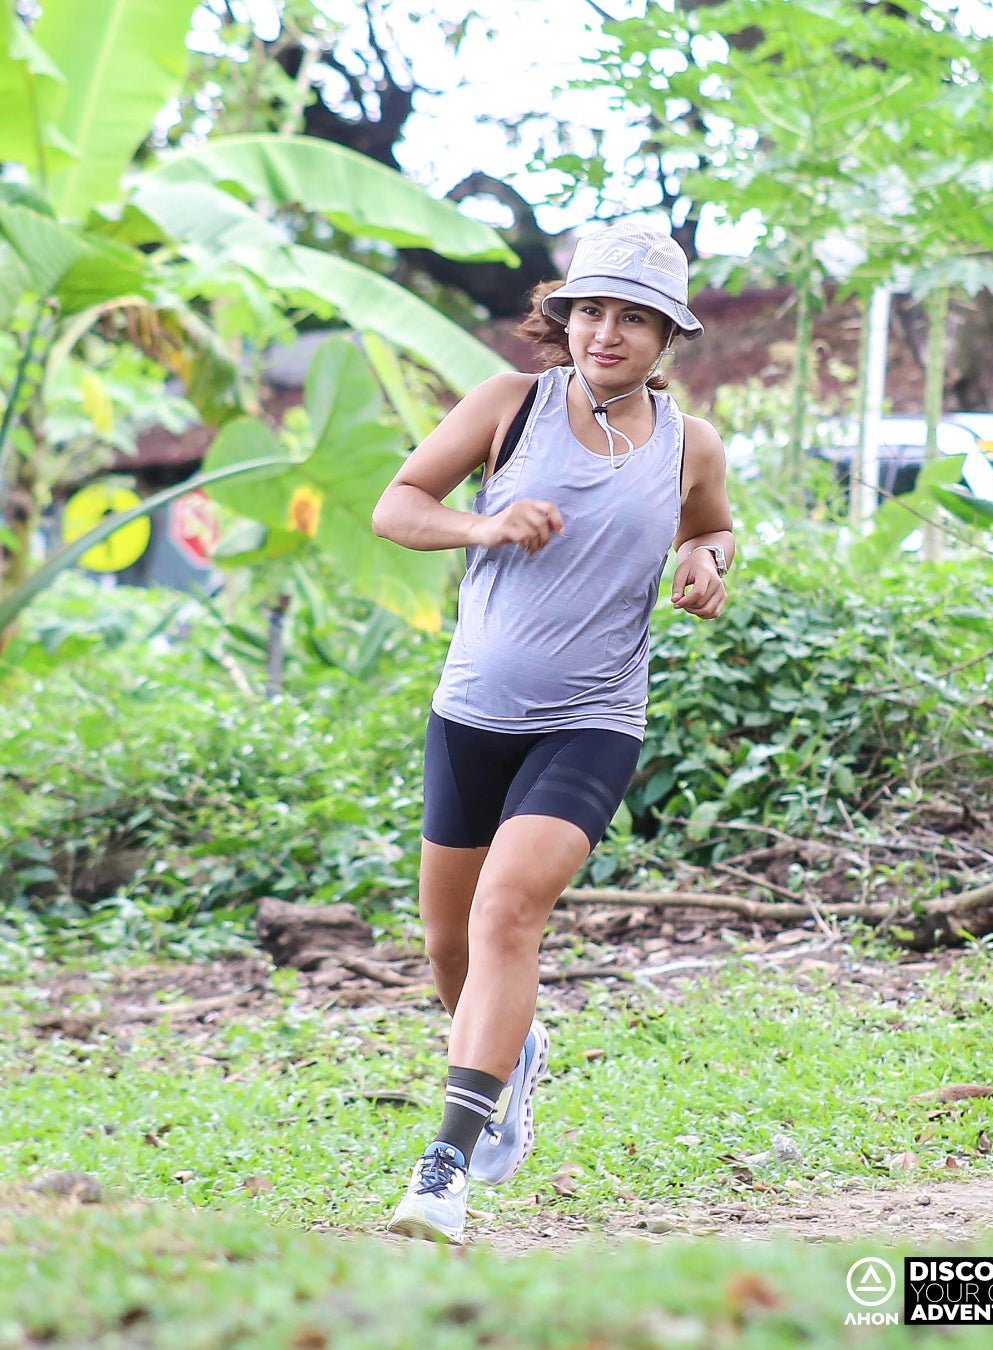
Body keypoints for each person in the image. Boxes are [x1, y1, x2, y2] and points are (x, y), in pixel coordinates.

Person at [371, 222, 735, 1245]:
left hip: (591, 722)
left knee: (506, 915)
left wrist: (706, 564)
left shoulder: (687, 442)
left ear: (666, 334)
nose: (606, 333)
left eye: (632, 317)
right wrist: (484, 524)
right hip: (470, 714)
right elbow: (397, 508)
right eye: (591, 310)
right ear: (563, 316)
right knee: (449, 945)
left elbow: (708, 523)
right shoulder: (508, 408)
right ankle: (515, 1054)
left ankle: (442, 1171)